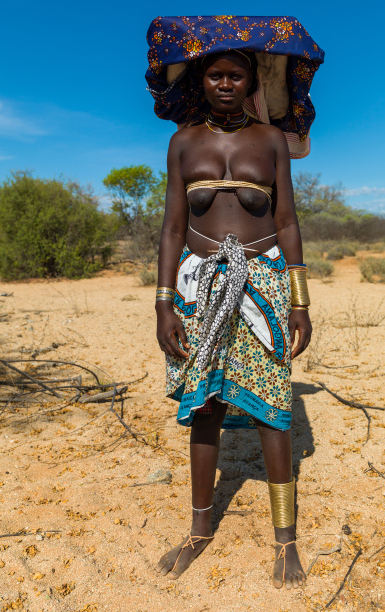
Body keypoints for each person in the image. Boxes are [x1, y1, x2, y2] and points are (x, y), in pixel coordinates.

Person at [153, 48, 315, 589]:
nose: (226, 83)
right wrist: (163, 303)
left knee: (273, 408)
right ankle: (200, 529)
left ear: (251, 83)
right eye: (216, 74)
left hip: (264, 282)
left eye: (236, 75)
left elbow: (287, 220)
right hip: (200, 284)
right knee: (205, 404)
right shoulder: (183, 143)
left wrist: (300, 301)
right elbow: (173, 229)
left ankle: (285, 538)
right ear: (202, 80)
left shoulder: (270, 141)